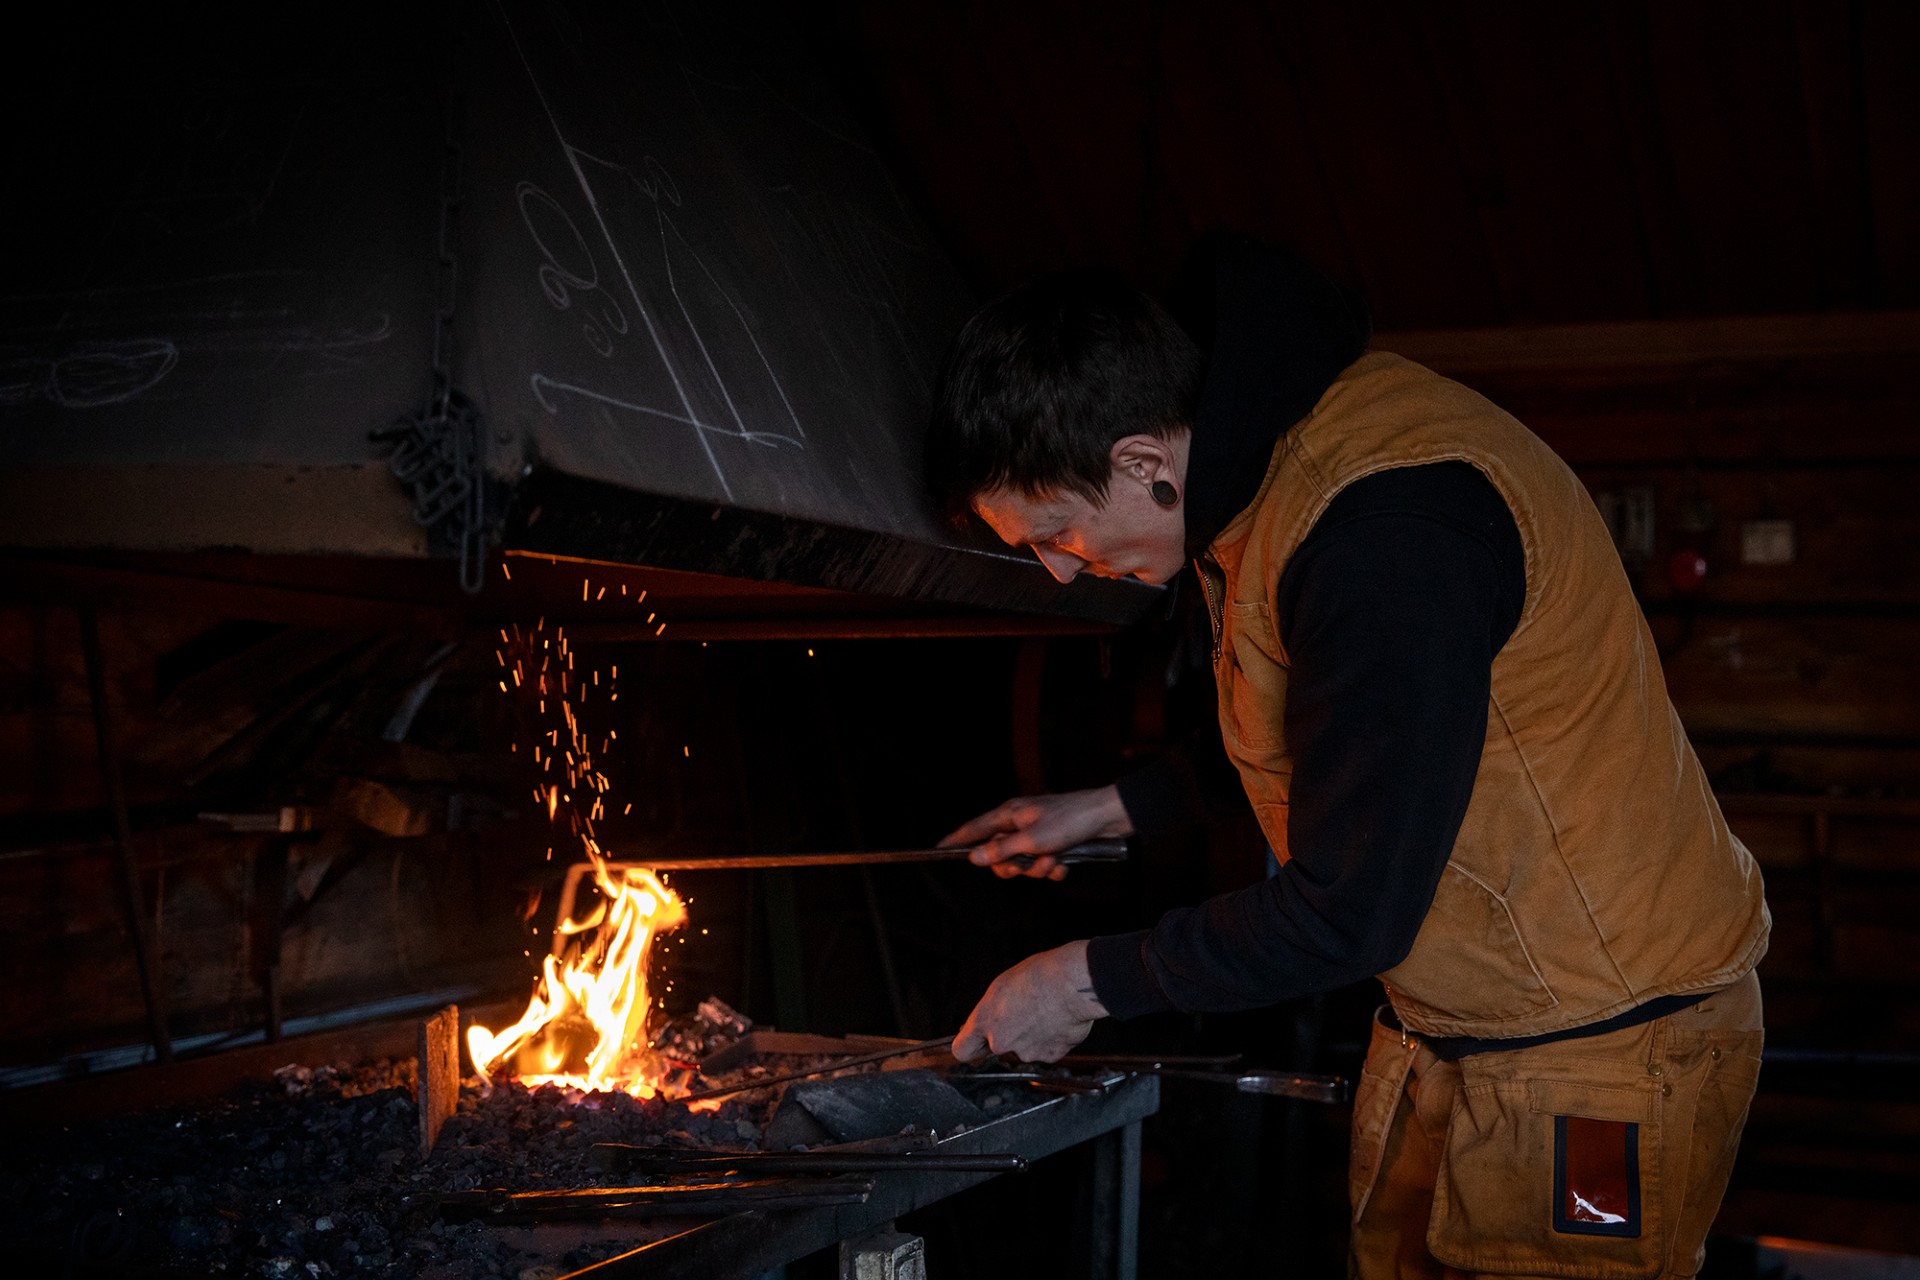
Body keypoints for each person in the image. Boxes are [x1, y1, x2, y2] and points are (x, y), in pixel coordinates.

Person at [925, 238, 1770, 1279]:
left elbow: (1347, 910)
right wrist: (1111, 806)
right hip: (1466, 1021)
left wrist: (1082, 982)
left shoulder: (1382, 530)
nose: (1059, 572)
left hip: (1601, 1042)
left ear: (1143, 463)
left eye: (1057, 533)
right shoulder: (1258, 470)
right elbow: (1327, 721)